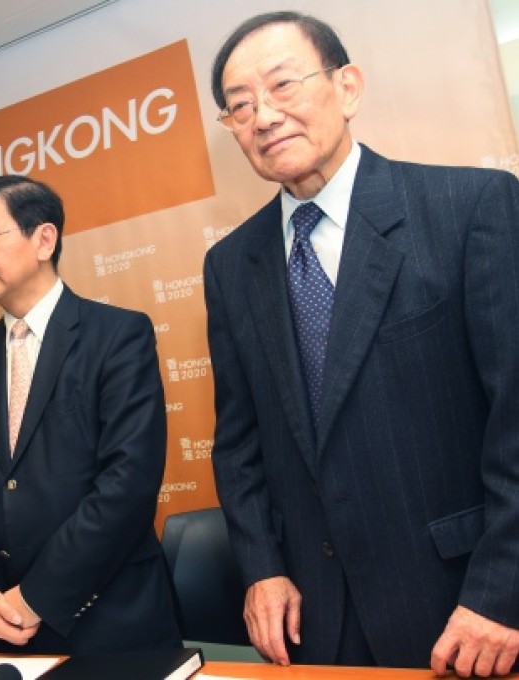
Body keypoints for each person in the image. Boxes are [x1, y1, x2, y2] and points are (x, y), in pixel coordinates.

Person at [204, 11, 519, 675]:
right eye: (239, 107)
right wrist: (262, 567)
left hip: (465, 606)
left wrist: (501, 592)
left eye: (283, 86)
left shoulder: (470, 208)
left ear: (347, 88)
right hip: (315, 620)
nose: (263, 116)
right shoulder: (232, 265)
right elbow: (240, 441)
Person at [0, 175, 182, 655]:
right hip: (3, 624)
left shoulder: (118, 335)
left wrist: (38, 595)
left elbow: (127, 482)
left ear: (43, 239)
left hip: (108, 617)